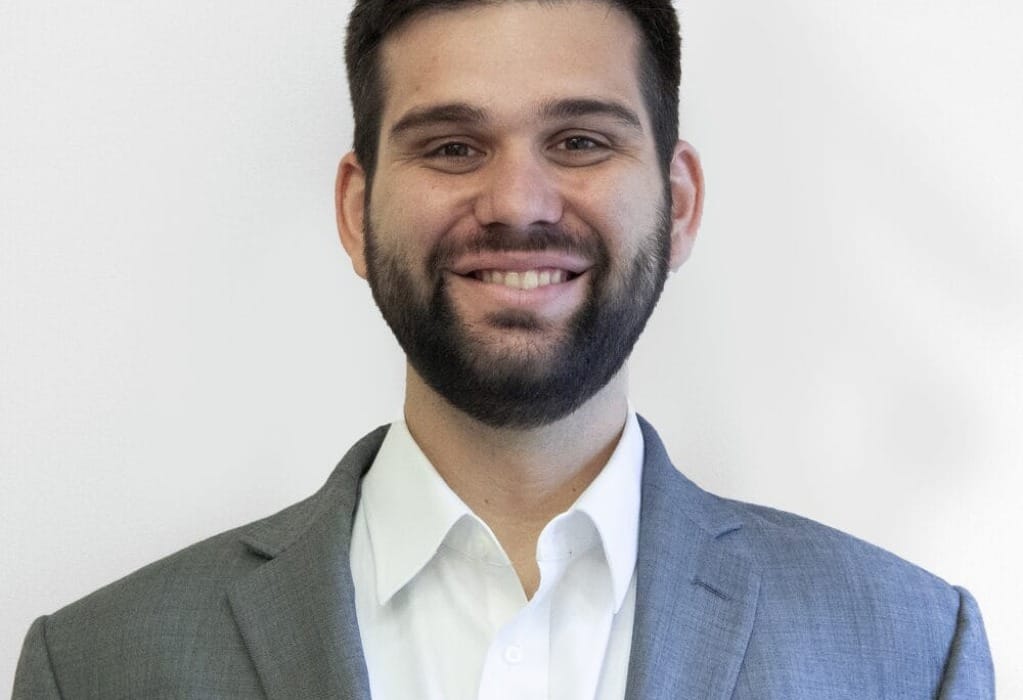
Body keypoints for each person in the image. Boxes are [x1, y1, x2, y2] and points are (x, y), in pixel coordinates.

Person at [13, 0, 994, 698]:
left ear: (679, 203)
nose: (518, 203)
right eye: (452, 146)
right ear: (355, 210)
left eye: (580, 142)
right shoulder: (94, 668)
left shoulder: (910, 656)